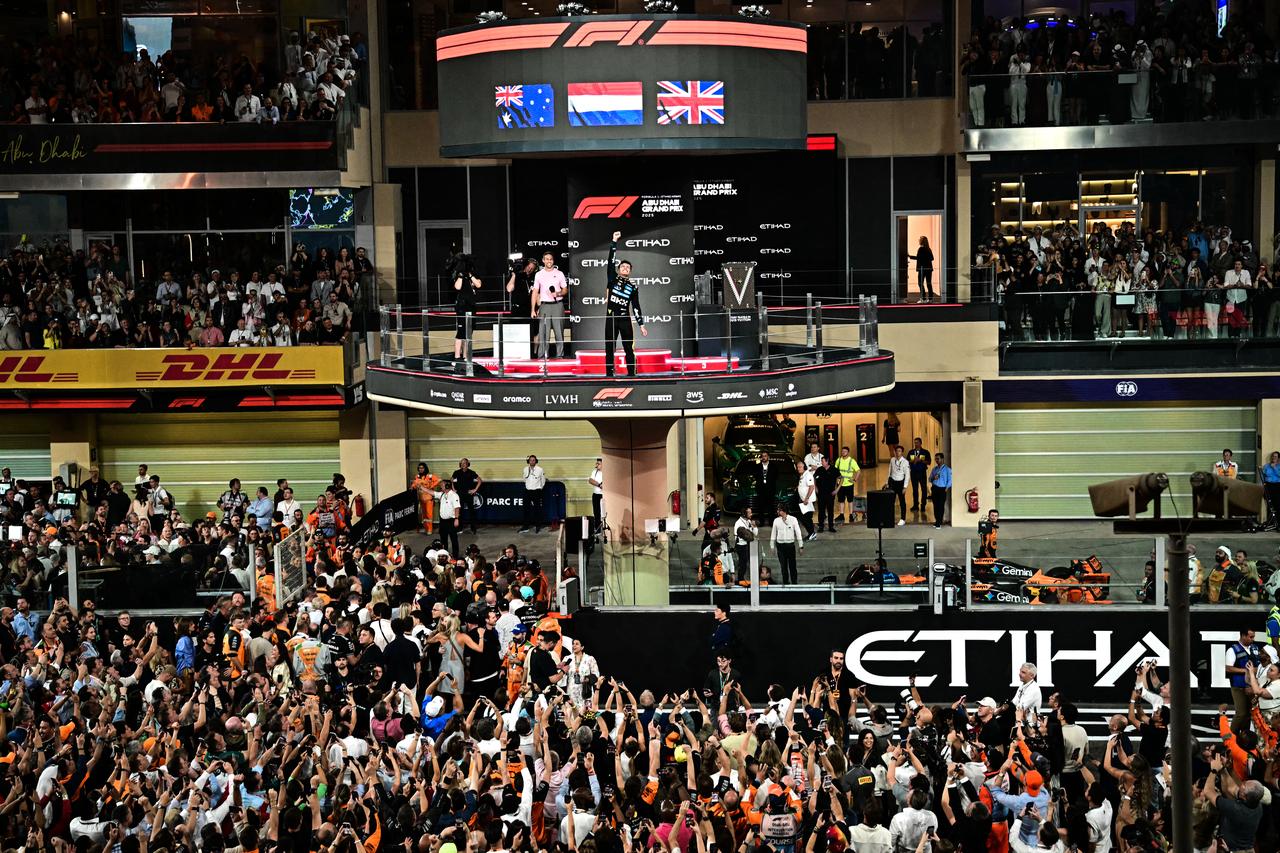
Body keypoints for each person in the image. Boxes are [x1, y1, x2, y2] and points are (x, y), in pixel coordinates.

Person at [603, 231, 649, 377]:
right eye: (622, 267)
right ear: (618, 270)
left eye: (628, 268)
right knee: (609, 347)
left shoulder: (633, 286)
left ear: (630, 271)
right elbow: (611, 261)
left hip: (625, 319)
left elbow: (636, 306)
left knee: (628, 347)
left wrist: (641, 325)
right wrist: (614, 242)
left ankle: (631, 374)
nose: (625, 268)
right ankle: (609, 374)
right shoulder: (612, 279)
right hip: (611, 318)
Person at [534, 250, 568, 359]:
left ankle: (560, 356)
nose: (549, 261)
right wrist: (532, 309)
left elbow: (565, 290)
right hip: (544, 306)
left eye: (551, 259)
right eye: (547, 259)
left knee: (559, 333)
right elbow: (535, 292)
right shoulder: (539, 274)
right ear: (543, 260)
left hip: (558, 305)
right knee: (544, 333)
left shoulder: (559, 273)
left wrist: (557, 293)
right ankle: (542, 357)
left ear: (553, 261)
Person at [452, 261, 481, 364]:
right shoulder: (459, 275)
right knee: (461, 333)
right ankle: (457, 358)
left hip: (471, 307)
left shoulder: (473, 275)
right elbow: (457, 287)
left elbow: (478, 284)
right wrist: (461, 275)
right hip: (462, 307)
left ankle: (465, 356)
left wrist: (470, 275)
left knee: (469, 333)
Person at [771, 505, 804, 584]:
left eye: (779, 510)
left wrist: (801, 546)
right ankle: (785, 582)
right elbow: (773, 533)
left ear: (784, 511)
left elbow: (798, 533)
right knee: (783, 566)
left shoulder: (793, 519)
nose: (777, 511)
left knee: (792, 566)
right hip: (780, 546)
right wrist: (772, 546)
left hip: (790, 546)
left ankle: (794, 582)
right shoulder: (776, 520)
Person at [451, 457, 482, 535]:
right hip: (460, 494)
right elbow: (451, 480)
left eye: (465, 463)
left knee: (472, 512)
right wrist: (454, 489)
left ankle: (473, 529)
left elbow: (479, 480)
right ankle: (459, 528)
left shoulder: (471, 472)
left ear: (468, 464)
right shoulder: (456, 472)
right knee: (459, 512)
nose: (463, 464)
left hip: (469, 494)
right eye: (461, 463)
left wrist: (475, 490)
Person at [520, 454, 546, 534]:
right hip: (527, 491)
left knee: (537, 509)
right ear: (528, 461)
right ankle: (525, 527)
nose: (532, 461)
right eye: (530, 460)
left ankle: (538, 526)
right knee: (526, 509)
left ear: (536, 461)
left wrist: (539, 488)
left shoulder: (540, 469)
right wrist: (528, 486)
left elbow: (543, 480)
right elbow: (524, 479)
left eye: (533, 460)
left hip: (536, 491)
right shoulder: (525, 469)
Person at [412, 462, 440, 534]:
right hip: (421, 499)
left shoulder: (430, 476)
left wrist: (431, 486)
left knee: (429, 514)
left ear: (425, 468)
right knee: (424, 515)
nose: (421, 469)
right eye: (419, 468)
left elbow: (439, 480)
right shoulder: (417, 476)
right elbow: (414, 484)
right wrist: (412, 487)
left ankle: (430, 529)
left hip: (429, 499)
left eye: (422, 468)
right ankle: (426, 528)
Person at [834, 445, 860, 524]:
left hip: (849, 484)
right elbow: (835, 470)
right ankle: (841, 515)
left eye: (845, 451)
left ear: (848, 452)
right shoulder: (838, 460)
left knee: (850, 500)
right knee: (841, 500)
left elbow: (858, 471)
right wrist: (836, 480)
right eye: (842, 451)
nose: (843, 452)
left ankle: (851, 515)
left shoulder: (851, 461)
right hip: (840, 484)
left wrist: (855, 479)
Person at [814, 455, 839, 534]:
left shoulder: (834, 470)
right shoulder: (819, 469)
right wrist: (815, 487)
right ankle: (821, 526)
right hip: (821, 493)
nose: (821, 462)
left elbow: (841, 478)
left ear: (827, 462)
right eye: (821, 461)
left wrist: (837, 489)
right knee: (821, 510)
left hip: (830, 494)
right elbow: (814, 478)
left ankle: (831, 526)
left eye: (823, 461)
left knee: (830, 510)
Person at [906, 438, 930, 516]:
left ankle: (923, 505)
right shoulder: (911, 452)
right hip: (913, 473)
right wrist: (913, 461)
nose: (916, 444)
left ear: (921, 443)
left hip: (922, 473)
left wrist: (920, 460)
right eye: (915, 442)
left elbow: (929, 462)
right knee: (915, 490)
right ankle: (915, 505)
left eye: (917, 442)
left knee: (923, 489)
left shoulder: (925, 452)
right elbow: (907, 461)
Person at [907, 236, 936, 302]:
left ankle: (923, 298)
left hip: (922, 269)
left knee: (920, 283)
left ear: (922, 241)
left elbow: (918, 258)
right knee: (929, 283)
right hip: (929, 269)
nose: (918, 240)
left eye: (919, 240)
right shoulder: (928, 249)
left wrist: (909, 256)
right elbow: (932, 258)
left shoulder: (921, 249)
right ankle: (930, 299)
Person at [795, 461, 817, 541]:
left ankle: (812, 534)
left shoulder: (808, 475)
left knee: (806, 518)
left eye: (800, 467)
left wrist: (807, 498)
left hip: (808, 501)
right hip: (803, 500)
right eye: (797, 467)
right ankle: (812, 533)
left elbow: (811, 487)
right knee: (803, 518)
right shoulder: (802, 475)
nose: (798, 469)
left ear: (804, 467)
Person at [887, 445, 909, 526]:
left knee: (902, 502)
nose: (897, 452)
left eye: (899, 451)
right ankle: (890, 518)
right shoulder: (892, 460)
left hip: (900, 483)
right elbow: (889, 471)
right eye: (896, 451)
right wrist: (887, 482)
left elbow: (907, 475)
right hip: (892, 482)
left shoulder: (905, 462)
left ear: (902, 452)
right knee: (890, 501)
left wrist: (905, 487)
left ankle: (903, 519)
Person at [928, 452, 951, 529]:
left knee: (941, 506)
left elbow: (950, 480)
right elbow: (929, 479)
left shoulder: (947, 469)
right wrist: (933, 478)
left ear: (942, 459)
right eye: (935, 459)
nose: (936, 460)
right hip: (935, 488)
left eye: (938, 459)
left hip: (942, 489)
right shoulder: (934, 469)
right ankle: (937, 520)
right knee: (935, 505)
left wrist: (946, 488)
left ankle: (939, 522)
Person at [1262, 450, 1280, 531]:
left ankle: (1278, 523)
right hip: (1268, 486)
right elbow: (1263, 476)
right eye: (1273, 456)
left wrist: (1274, 468)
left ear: (1278, 458)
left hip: (1277, 486)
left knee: (1277, 505)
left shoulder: (1279, 466)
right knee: (1269, 505)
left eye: (1275, 456)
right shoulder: (1266, 466)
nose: (1273, 458)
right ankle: (1271, 522)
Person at [588, 458, 604, 533]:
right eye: (596, 463)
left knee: (604, 512)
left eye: (598, 464)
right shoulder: (595, 471)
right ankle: (597, 529)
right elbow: (590, 480)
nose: (596, 465)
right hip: (596, 495)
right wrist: (599, 484)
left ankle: (604, 528)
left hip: (603, 495)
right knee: (596, 512)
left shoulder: (607, 472)